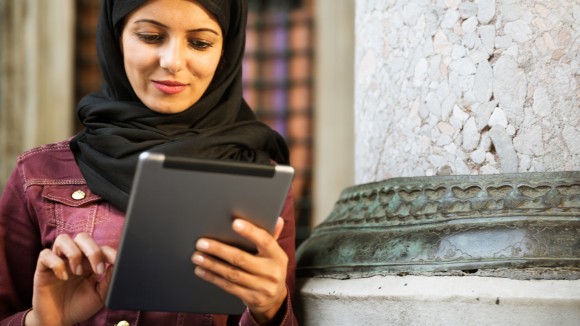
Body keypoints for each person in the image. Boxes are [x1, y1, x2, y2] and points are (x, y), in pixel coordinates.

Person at [0, 0, 298, 325]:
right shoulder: (41, 173)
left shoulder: (260, 178)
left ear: (225, 51)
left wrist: (270, 308)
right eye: (151, 36)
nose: (172, 61)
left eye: (200, 42)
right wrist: (43, 321)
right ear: (117, 39)